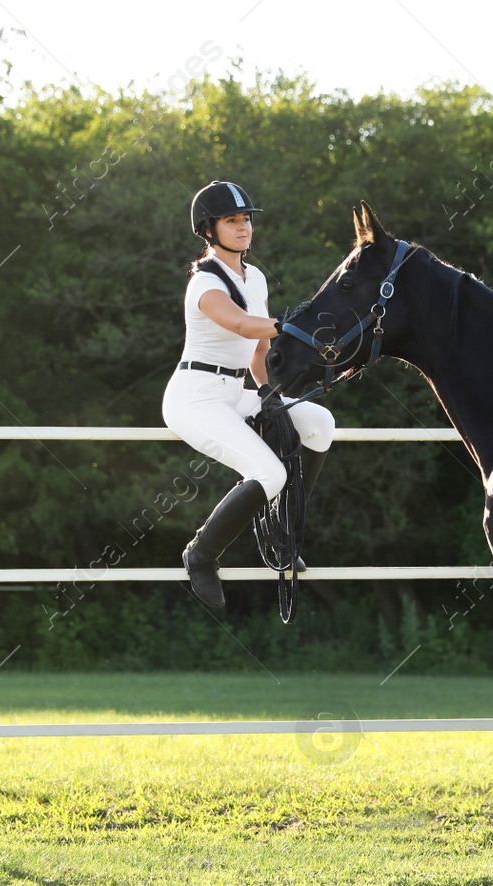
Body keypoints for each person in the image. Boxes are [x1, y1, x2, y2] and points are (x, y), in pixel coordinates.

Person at [162, 180, 334, 610]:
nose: (243, 228)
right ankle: (200, 555)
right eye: (232, 221)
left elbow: (258, 349)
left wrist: (267, 392)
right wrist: (294, 323)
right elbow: (240, 324)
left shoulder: (253, 276)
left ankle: (283, 536)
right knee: (271, 473)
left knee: (320, 425)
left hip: (236, 389)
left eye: (246, 220)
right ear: (209, 229)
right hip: (194, 396)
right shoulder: (204, 282)